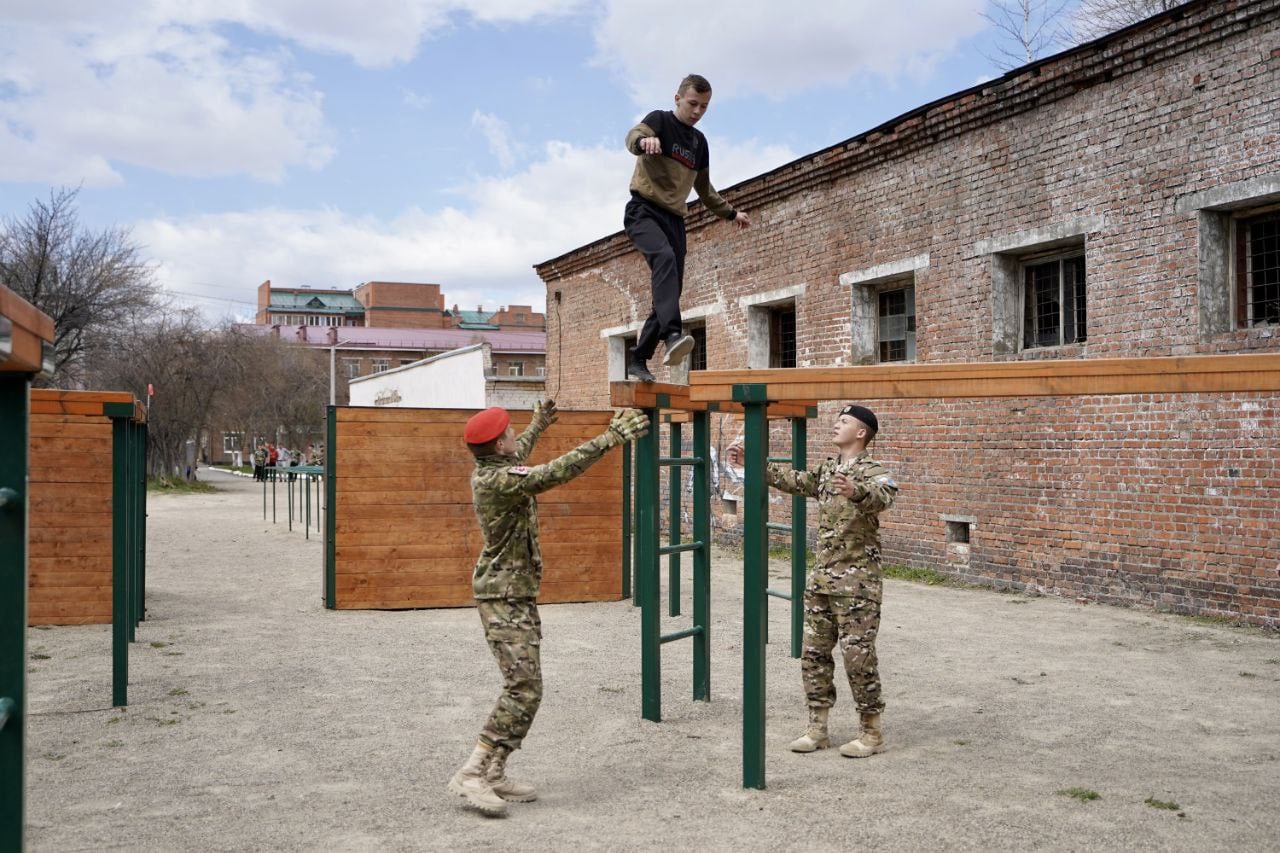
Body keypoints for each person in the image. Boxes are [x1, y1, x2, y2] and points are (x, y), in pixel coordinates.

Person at [448, 400, 649, 816]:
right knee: (522, 688)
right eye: (509, 433)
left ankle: (496, 771)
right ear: (497, 446)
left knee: (529, 689)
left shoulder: (498, 468)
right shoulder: (497, 481)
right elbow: (552, 472)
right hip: (501, 597)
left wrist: (539, 423)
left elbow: (519, 454)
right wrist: (611, 438)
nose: (512, 437)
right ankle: (471, 773)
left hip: (514, 594)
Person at [729, 404, 898, 758]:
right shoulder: (827, 469)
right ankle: (817, 728)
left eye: (845, 422)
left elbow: (884, 498)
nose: (836, 426)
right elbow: (794, 480)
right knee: (814, 655)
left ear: (862, 432)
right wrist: (752, 463)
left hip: (858, 586)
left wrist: (857, 491)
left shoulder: (874, 472)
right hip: (821, 581)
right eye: (837, 421)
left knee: (858, 657)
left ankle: (871, 732)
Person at [623, 73, 752, 383]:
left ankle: (638, 358)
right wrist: (644, 141)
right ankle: (672, 335)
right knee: (664, 260)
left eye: (704, 107)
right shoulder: (659, 121)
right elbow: (632, 137)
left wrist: (731, 213)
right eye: (693, 104)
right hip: (643, 211)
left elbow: (705, 190)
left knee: (670, 292)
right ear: (678, 98)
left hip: (674, 220)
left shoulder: (699, 143)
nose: (697, 112)